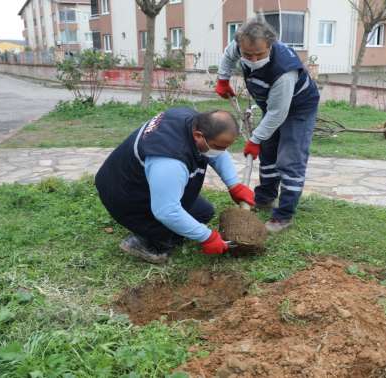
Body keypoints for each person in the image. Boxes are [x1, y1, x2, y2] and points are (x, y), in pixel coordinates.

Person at [94, 108, 255, 264]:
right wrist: (207, 237)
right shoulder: (169, 160)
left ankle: (153, 229)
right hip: (124, 194)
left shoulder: (192, 120)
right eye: (219, 147)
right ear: (198, 136)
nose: (222, 151)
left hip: (138, 178)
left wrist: (234, 185)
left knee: (203, 213)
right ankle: (142, 242)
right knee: (165, 230)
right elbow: (167, 211)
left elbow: (218, 151)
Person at [215, 18, 320, 233]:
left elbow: (277, 114)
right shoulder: (240, 44)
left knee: (290, 159)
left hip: (298, 108)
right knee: (269, 152)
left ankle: (284, 215)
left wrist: (254, 139)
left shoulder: (284, 71)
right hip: (271, 105)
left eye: (259, 55)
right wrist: (223, 79)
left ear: (270, 45)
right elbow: (228, 55)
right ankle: (265, 198)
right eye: (248, 55)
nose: (253, 60)